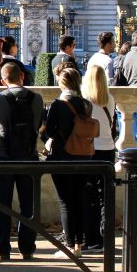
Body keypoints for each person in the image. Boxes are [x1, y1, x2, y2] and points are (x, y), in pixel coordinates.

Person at [0, 61, 44, 261]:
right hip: (29, 156)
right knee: (28, 205)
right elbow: (39, 123)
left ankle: (2, 247)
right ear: (22, 77)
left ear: (3, 80)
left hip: (3, 157)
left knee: (3, 204)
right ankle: (27, 247)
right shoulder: (36, 99)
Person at [43, 67, 95, 258]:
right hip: (84, 156)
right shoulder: (85, 104)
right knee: (79, 200)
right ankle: (80, 243)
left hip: (63, 155)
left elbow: (49, 132)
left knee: (66, 202)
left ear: (62, 82)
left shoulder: (59, 104)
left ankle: (70, 244)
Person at [81, 64, 117, 254]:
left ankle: (92, 237)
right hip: (108, 148)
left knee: (90, 195)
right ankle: (106, 236)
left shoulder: (85, 101)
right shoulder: (109, 99)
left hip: (91, 150)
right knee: (105, 196)